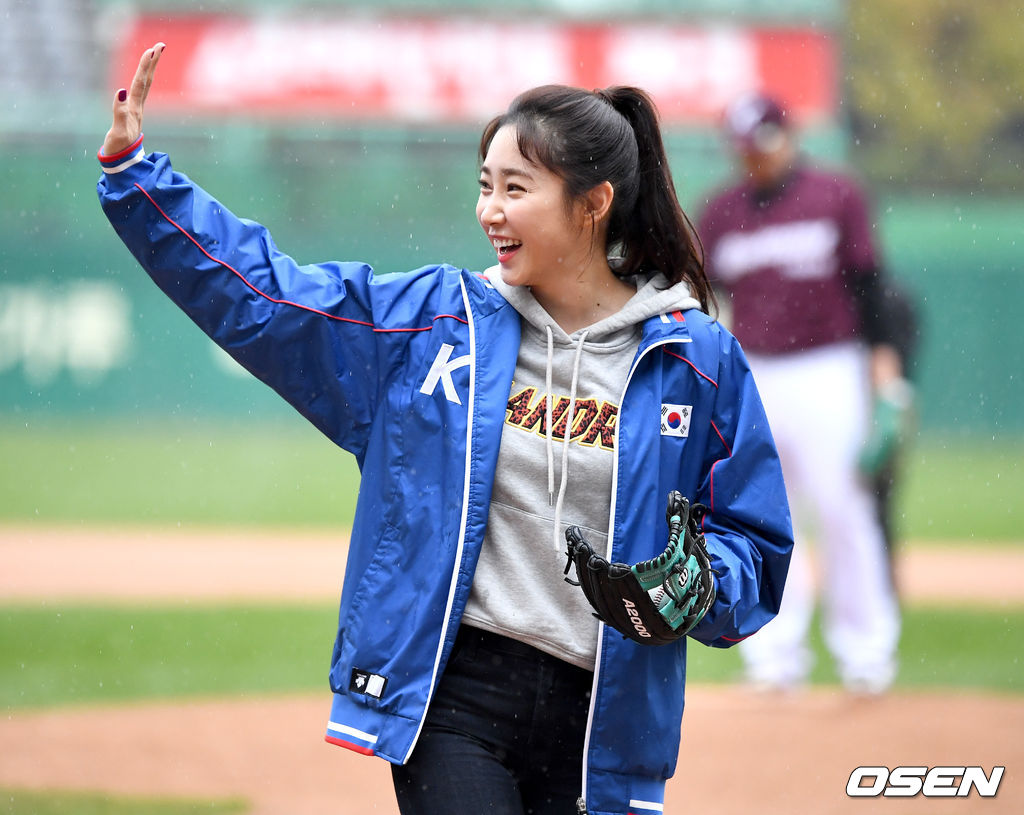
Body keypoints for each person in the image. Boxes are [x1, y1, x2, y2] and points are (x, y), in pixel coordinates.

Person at [98, 44, 793, 815]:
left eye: (515, 188)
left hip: (605, 721)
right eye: (485, 185)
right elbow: (269, 298)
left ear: (592, 203)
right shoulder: (434, 326)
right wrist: (140, 181)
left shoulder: (696, 360)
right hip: (455, 697)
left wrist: (702, 585)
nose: (489, 210)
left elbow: (753, 540)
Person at [696, 91, 911, 695]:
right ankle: (772, 657)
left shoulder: (835, 195)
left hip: (828, 367)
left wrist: (886, 376)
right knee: (762, 513)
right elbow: (706, 303)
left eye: (763, 145)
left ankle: (866, 654)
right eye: (745, 149)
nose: (756, 158)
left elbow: (872, 289)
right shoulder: (721, 212)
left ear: (788, 137)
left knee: (844, 506)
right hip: (756, 371)